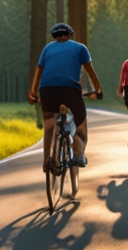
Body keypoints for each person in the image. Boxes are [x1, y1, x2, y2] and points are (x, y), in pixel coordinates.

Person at [28, 22, 103, 170]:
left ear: (54, 36)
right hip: (71, 90)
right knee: (81, 124)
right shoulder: (80, 48)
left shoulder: (47, 49)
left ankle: (47, 161)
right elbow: (90, 72)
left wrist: (32, 93)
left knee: (49, 123)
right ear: (69, 34)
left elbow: (39, 71)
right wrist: (98, 90)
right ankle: (78, 155)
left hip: (47, 90)